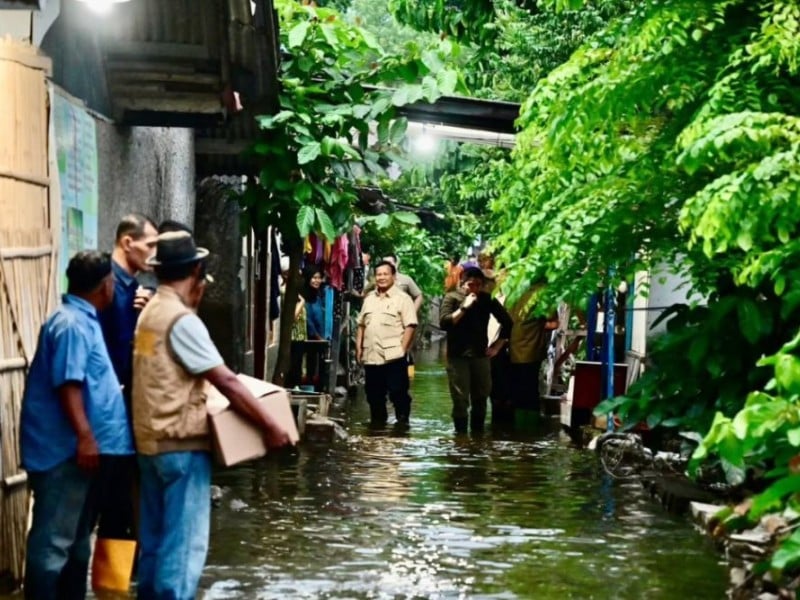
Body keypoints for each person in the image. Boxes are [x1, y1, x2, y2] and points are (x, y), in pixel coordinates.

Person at [131, 231, 294, 599]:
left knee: (154, 547)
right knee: (182, 551)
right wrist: (272, 426)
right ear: (196, 270)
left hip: (150, 444)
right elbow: (227, 382)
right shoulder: (181, 320)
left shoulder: (150, 313)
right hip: (181, 448)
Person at [21, 251, 134, 600]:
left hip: (84, 452)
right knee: (53, 544)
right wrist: (85, 436)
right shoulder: (71, 324)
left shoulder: (84, 319)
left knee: (76, 545)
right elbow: (67, 384)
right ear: (106, 285)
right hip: (64, 452)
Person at [97, 213, 158, 542]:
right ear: (127, 242)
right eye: (149, 245)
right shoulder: (107, 285)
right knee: (111, 506)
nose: (153, 253)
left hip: (123, 408)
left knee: (120, 506)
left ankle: (115, 586)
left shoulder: (133, 287)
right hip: (108, 410)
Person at [440, 267, 513, 434]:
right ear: (462, 283)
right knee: (460, 399)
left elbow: (507, 322)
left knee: (481, 397)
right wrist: (464, 307)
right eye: (471, 285)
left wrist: (497, 346)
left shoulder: (486, 299)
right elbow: (444, 323)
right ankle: (460, 438)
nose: (475, 289)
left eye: (478, 285)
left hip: (481, 355)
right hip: (458, 357)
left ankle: (477, 436)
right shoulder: (452, 298)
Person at [355, 260, 418, 426]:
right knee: (373, 394)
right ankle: (377, 429)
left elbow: (410, 325)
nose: (382, 277)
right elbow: (361, 325)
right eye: (378, 274)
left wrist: (402, 350)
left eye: (385, 274)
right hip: (371, 356)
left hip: (393, 356)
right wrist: (358, 348)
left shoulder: (403, 299)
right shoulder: (369, 299)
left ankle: (402, 427)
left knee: (398, 393)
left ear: (393, 276)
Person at [508, 289, 559, 413]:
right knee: (530, 391)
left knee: (518, 391)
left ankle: (518, 426)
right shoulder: (541, 292)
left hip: (513, 348)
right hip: (530, 349)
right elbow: (554, 323)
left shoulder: (514, 292)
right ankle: (530, 427)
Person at [301, 265, 327, 389]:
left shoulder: (318, 296)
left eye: (319, 278)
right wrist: (317, 337)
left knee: (319, 368)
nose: (317, 280)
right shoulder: (304, 297)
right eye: (314, 278)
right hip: (309, 339)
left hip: (319, 339)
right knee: (309, 369)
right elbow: (308, 320)